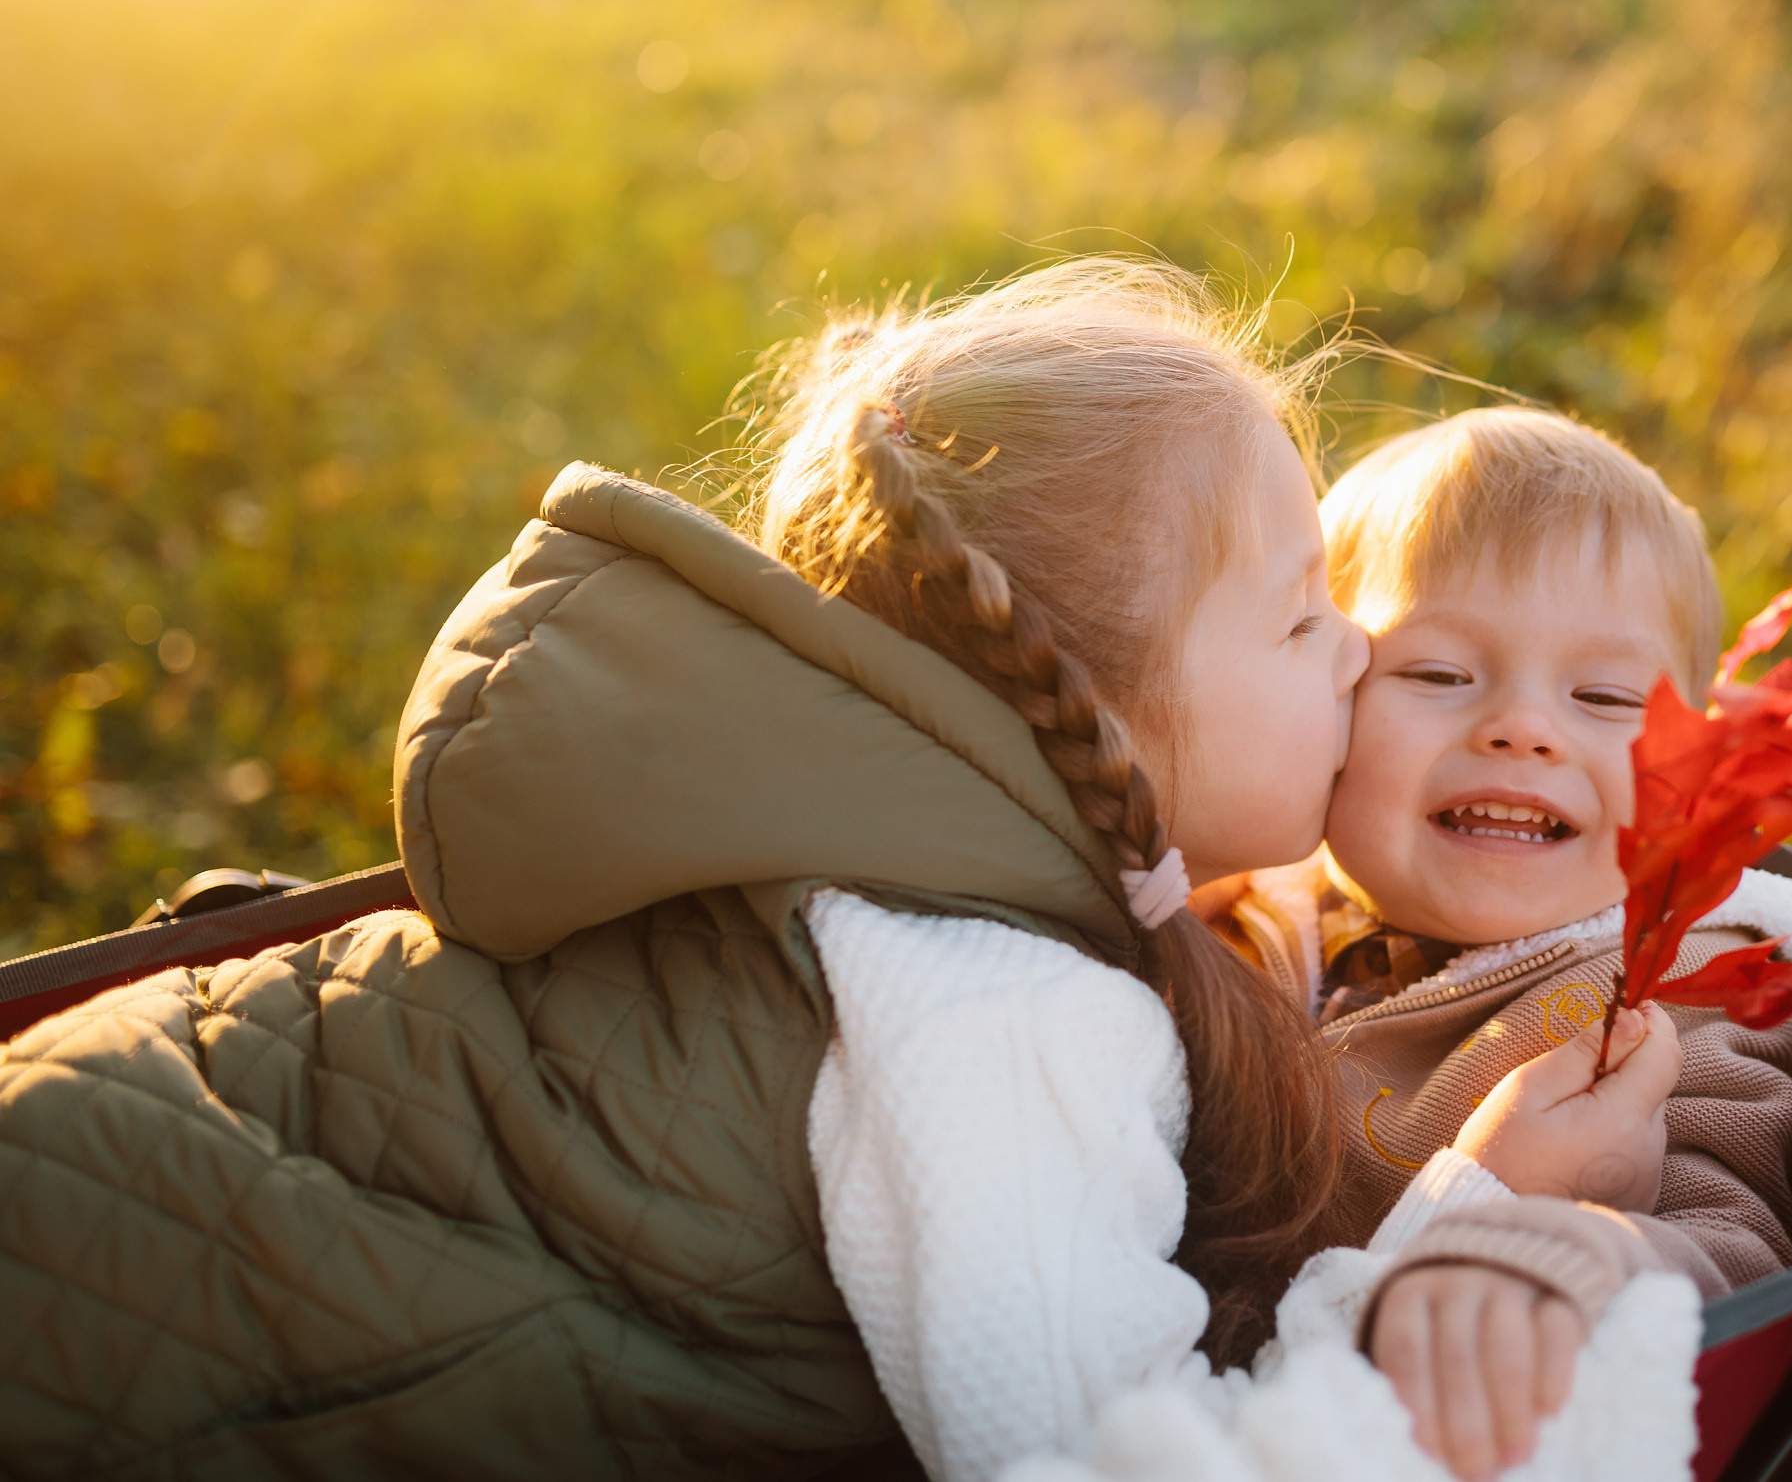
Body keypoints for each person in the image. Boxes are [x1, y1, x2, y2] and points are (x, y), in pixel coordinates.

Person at [0, 262, 1680, 1482]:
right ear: (1106, 708)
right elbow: (1116, 1458)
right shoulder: (998, 1010)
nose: (1359, 653)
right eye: (1306, 615)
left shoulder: (835, 814)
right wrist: (1477, 1211)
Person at [1210, 407, 1792, 1479]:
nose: (1523, 727)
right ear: (1325, 698)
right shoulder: (1243, 898)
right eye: (1438, 674)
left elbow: (1744, 1260)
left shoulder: (1670, 1001)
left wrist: (1591, 1252)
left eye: (1602, 696)